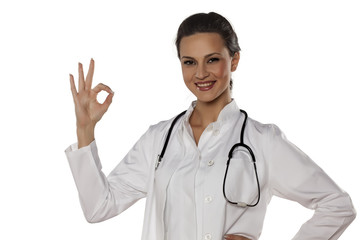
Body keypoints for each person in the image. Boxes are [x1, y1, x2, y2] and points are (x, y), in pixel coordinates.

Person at [65, 12, 356, 240]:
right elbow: (99, 207)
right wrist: (85, 129)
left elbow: (337, 205)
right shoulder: (159, 139)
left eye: (212, 59)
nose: (201, 73)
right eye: (189, 62)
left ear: (235, 59)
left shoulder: (263, 141)